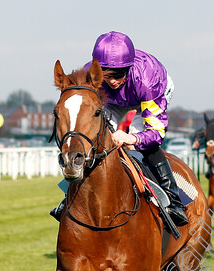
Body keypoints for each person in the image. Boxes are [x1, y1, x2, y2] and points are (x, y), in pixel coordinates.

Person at [50, 31, 189, 226]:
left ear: (129, 68)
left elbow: (156, 133)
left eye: (118, 74)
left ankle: (174, 200)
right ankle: (68, 196)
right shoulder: (90, 76)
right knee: (99, 141)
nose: (113, 80)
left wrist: (133, 139)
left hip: (146, 95)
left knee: (139, 143)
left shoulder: (148, 81)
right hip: (112, 100)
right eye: (108, 74)